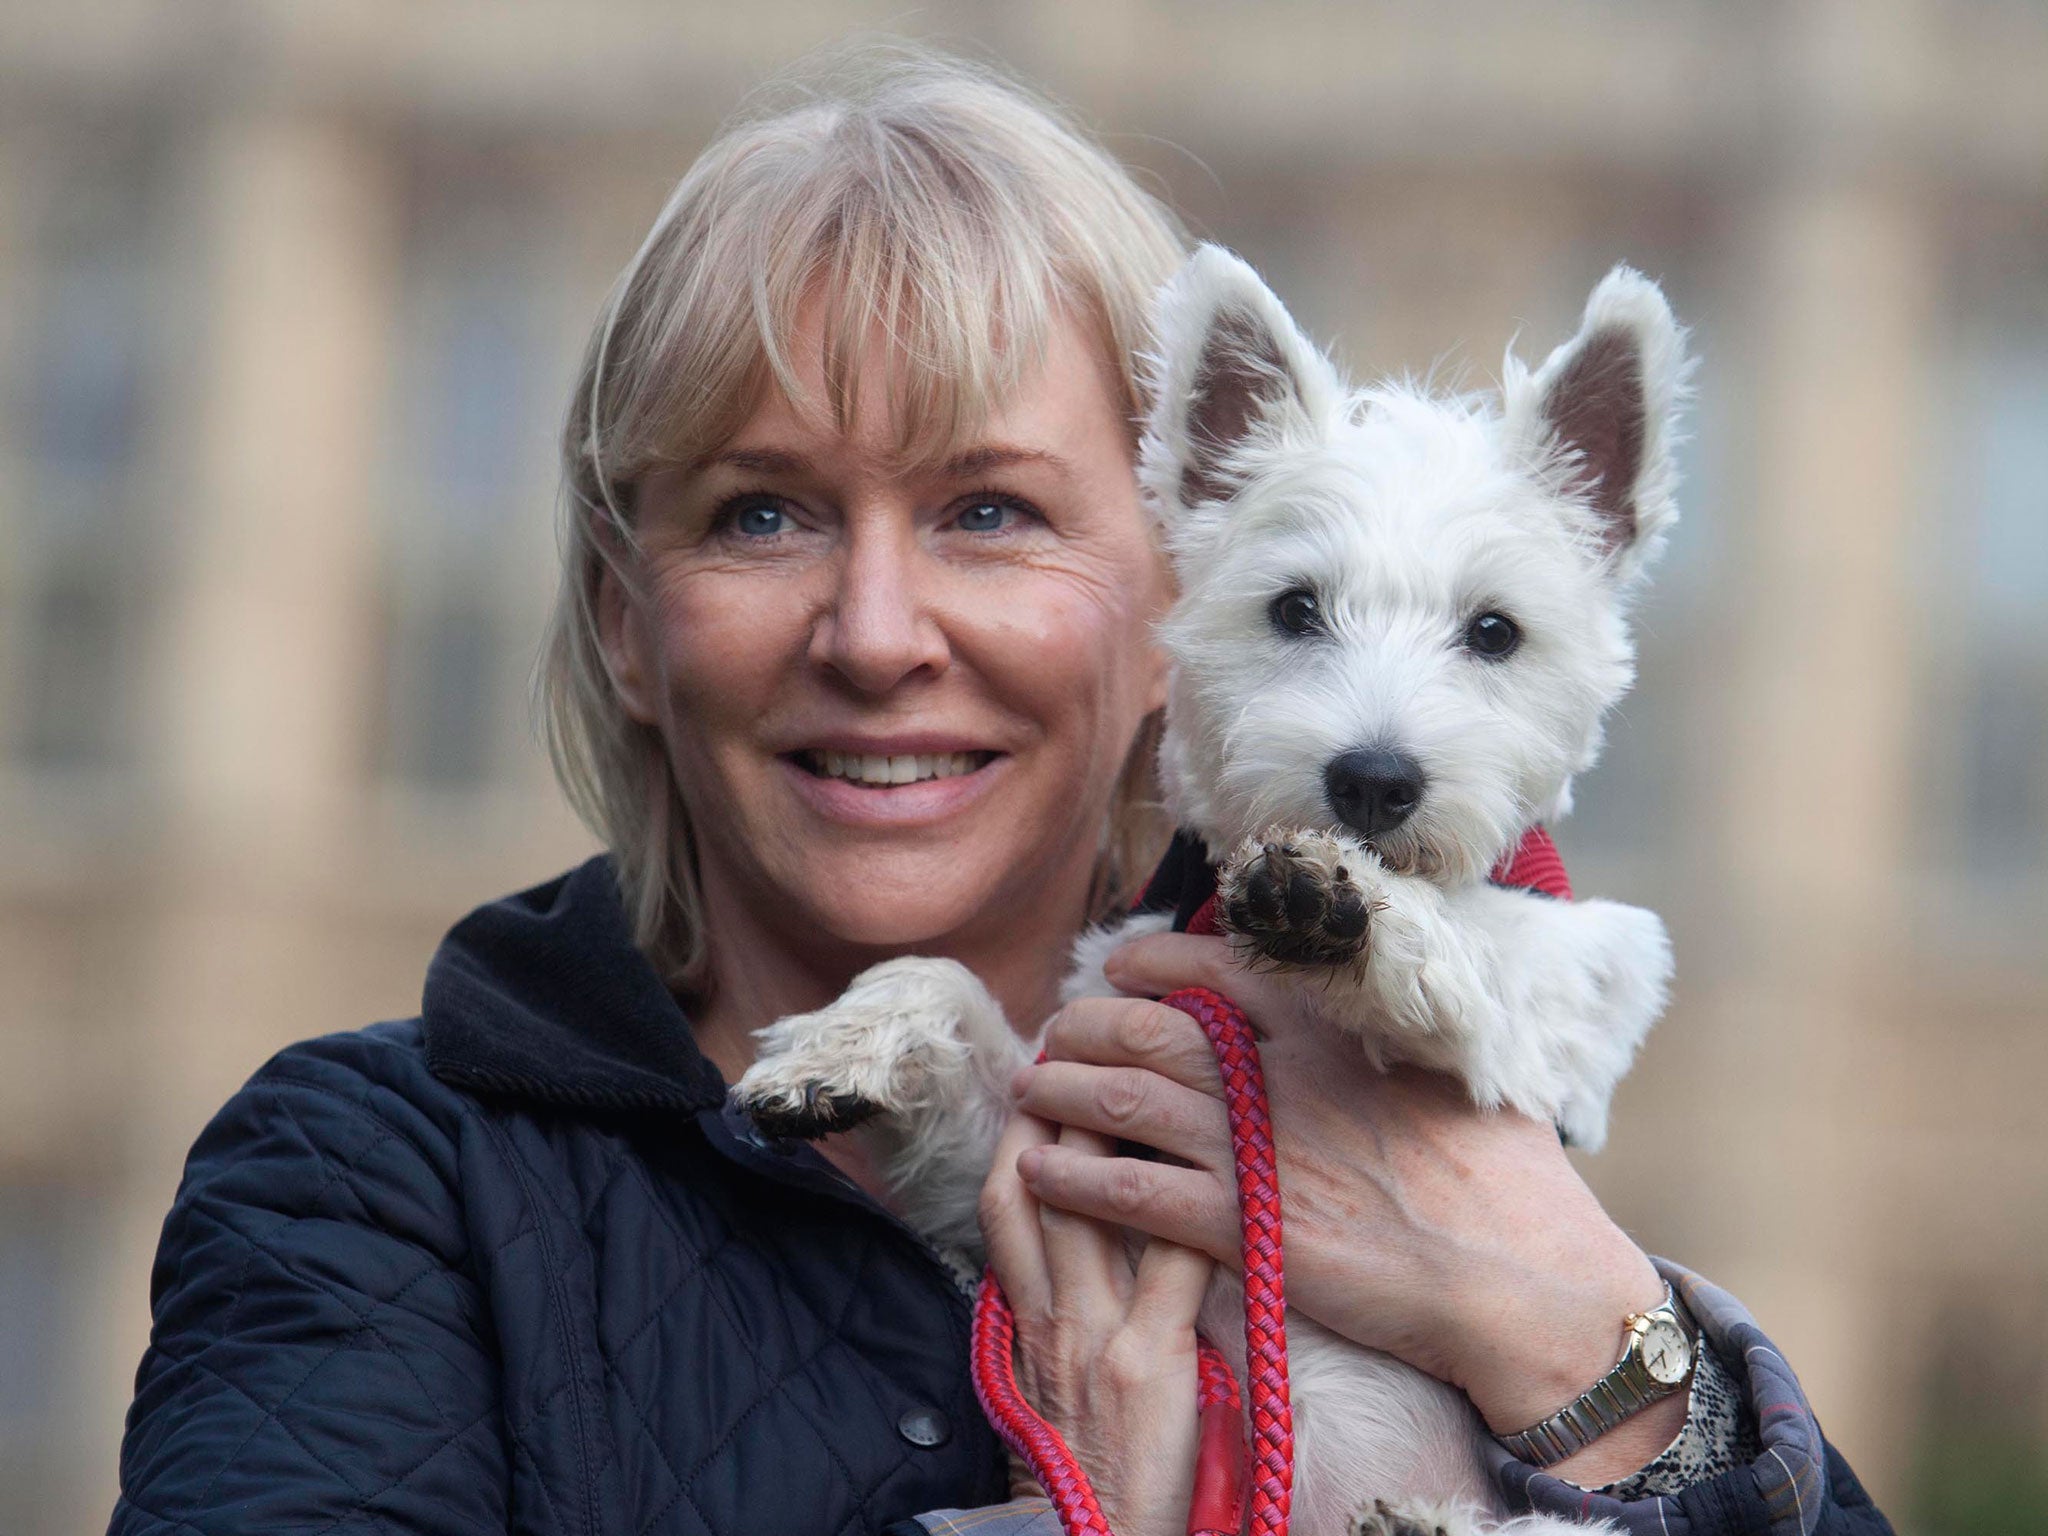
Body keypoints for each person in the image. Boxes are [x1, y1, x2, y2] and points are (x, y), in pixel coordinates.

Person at [109, 45, 1892, 1536]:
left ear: (1163, 601)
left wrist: (1585, 1339)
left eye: (990, 512)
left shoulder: (1469, 1121)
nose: (878, 633)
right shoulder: (367, 1189)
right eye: (760, 512)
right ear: (623, 622)